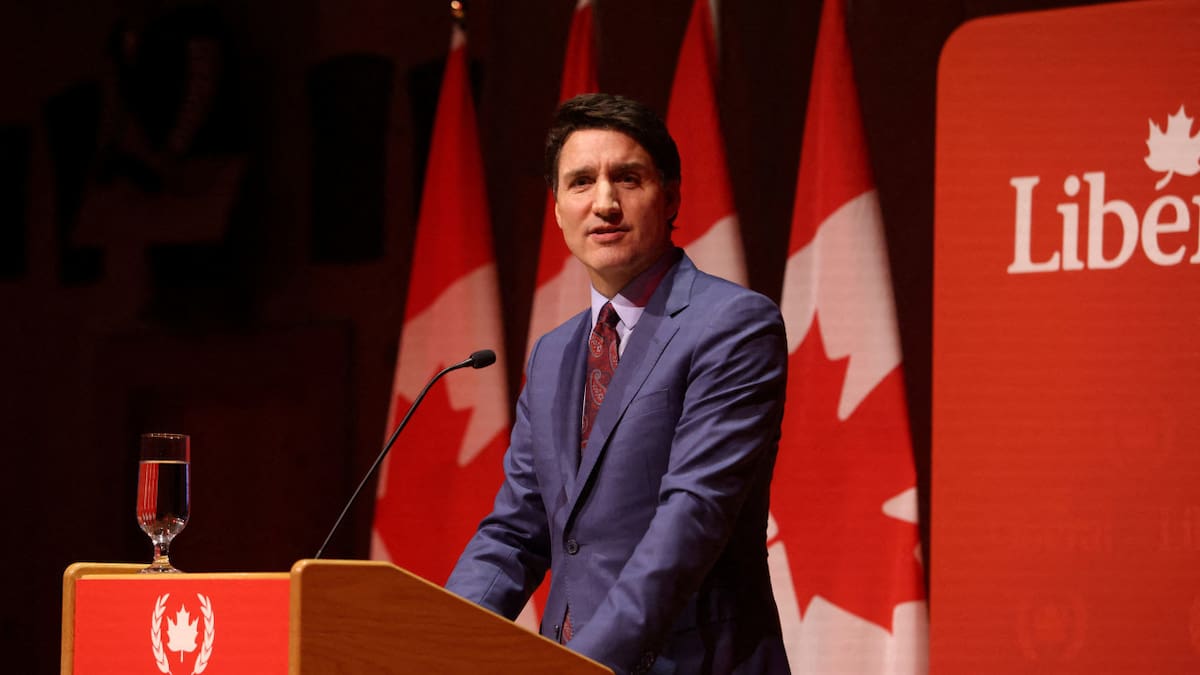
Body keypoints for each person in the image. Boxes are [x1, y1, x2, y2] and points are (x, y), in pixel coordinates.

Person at [446, 93, 790, 675]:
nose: (604, 203)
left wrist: (582, 667)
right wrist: (431, 641)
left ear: (671, 197)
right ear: (558, 209)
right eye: (581, 182)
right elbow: (516, 532)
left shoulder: (732, 325)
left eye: (627, 178)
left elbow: (691, 519)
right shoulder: (553, 354)